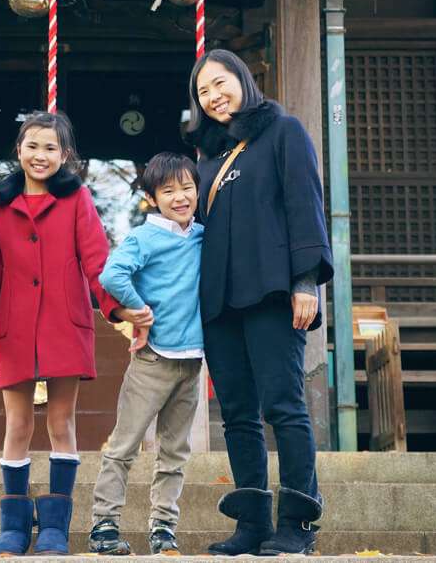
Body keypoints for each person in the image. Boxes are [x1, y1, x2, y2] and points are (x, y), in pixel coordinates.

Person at [185, 49, 333, 557]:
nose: (213, 96)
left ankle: (297, 522)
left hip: (273, 292)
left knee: (284, 407)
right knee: (239, 415)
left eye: (220, 83)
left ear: (244, 81)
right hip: (221, 304)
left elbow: (303, 204)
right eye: (204, 92)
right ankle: (251, 524)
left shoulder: (283, 132)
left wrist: (306, 281)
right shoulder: (207, 160)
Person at [0, 111, 128, 556]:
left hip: (65, 323)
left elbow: (97, 264)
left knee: (62, 423)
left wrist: (119, 310)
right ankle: (14, 526)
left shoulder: (77, 200)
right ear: (18, 150)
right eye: (32, 146)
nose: (40, 155)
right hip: (13, 329)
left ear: (67, 156)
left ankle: (56, 527)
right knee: (17, 424)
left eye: (51, 148)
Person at [88, 152, 205, 557]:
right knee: (125, 445)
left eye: (187, 187)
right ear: (153, 198)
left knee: (175, 451)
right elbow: (111, 274)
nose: (180, 197)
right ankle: (104, 524)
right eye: (168, 190)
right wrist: (137, 310)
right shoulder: (144, 236)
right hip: (152, 359)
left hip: (192, 362)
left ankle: (164, 529)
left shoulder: (203, 236)